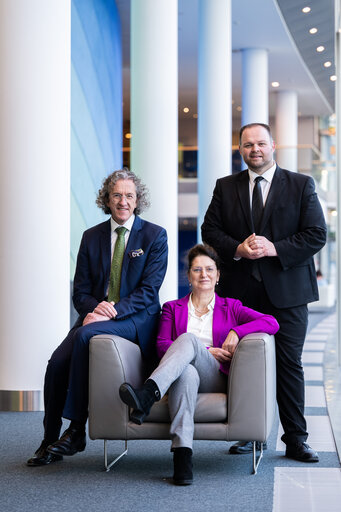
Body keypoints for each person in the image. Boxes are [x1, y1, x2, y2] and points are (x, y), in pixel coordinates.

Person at [201, 123, 327, 462]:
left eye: (260, 143)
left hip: (287, 294)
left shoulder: (301, 185)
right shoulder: (225, 187)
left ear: (273, 145)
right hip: (240, 297)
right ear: (240, 149)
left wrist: (275, 249)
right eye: (247, 144)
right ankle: (247, 433)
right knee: (241, 365)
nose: (254, 149)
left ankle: (296, 440)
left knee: (288, 365)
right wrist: (238, 248)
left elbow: (316, 234)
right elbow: (209, 229)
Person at [27, 168, 168, 466]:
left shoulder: (155, 236)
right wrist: (95, 310)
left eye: (129, 195)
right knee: (56, 363)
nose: (123, 201)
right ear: (106, 198)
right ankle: (49, 438)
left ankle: (77, 428)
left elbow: (148, 291)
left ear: (137, 199)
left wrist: (112, 310)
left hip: (136, 319)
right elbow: (80, 292)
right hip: (95, 315)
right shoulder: (91, 237)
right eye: (116, 195)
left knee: (85, 336)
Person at [119, 244, 279, 485]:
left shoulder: (232, 307)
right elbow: (162, 346)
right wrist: (203, 350)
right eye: (197, 270)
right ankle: (183, 456)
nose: (203, 274)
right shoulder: (172, 308)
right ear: (189, 276)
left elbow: (271, 322)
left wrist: (237, 330)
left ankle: (148, 393)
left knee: (188, 340)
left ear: (217, 276)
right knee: (187, 373)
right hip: (181, 375)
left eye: (209, 269)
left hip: (215, 375)